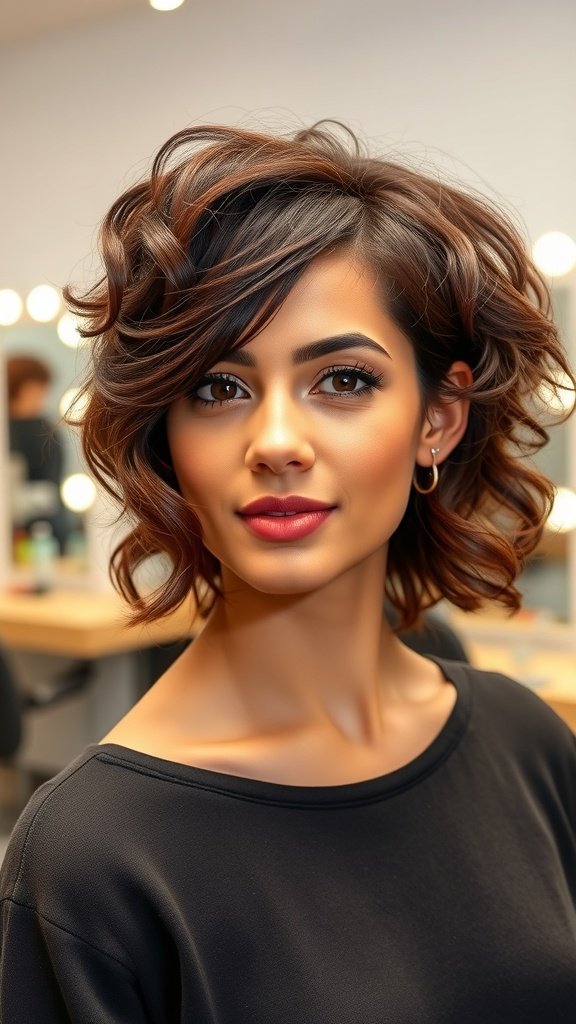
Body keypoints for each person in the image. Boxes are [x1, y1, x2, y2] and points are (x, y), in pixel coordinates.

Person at [1, 121, 575, 1022]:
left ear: (439, 419)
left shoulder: (526, 744)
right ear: (169, 437)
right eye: (219, 388)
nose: (274, 443)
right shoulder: (97, 856)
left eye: (342, 380)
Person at [6, 355, 70, 553]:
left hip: (45, 523)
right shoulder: (5, 429)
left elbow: (53, 483)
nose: (41, 396)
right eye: (37, 389)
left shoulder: (46, 431)